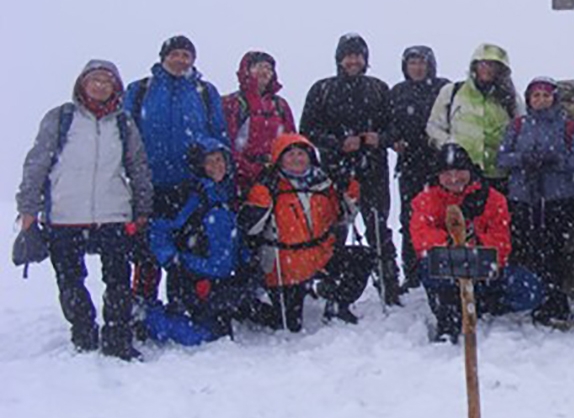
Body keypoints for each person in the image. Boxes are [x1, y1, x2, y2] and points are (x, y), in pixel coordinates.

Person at [17, 60, 153, 360]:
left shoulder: (123, 123)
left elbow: (138, 167)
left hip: (113, 214)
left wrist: (142, 209)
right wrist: (28, 208)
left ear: (116, 87)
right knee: (70, 279)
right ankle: (83, 330)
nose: (102, 85)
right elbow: (37, 163)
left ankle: (117, 336)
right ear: (82, 84)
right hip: (65, 215)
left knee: (118, 279)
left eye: (108, 81)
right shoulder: (61, 118)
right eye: (95, 80)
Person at [125, 35, 229, 303]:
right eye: (175, 54)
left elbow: (218, 135)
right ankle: (144, 304)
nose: (181, 60)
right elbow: (124, 135)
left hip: (191, 185)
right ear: (163, 57)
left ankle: (181, 302)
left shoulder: (204, 92)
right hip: (150, 184)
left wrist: (205, 154)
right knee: (147, 250)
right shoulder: (140, 91)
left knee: (187, 245)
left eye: (186, 55)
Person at [300, 33, 401, 305]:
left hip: (373, 171)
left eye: (358, 55)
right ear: (339, 59)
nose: (353, 60)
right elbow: (307, 132)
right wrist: (338, 143)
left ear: (365, 59)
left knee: (378, 228)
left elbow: (395, 128)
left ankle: (389, 285)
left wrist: (380, 138)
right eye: (348, 55)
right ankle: (330, 285)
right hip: (334, 173)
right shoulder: (322, 89)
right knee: (333, 232)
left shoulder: (379, 88)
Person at [240, 134, 372, 332]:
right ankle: (245, 307)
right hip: (284, 266)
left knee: (362, 257)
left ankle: (336, 300)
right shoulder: (269, 187)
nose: (296, 159)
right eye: (290, 154)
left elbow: (343, 216)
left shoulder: (323, 184)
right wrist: (261, 199)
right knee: (287, 324)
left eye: (301, 154)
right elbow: (250, 229)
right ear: (279, 159)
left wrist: (349, 187)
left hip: (319, 256)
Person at [410, 144, 542, 343]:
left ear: (469, 170)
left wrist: (474, 244)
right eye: (447, 173)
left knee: (530, 291)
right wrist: (453, 243)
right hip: (446, 264)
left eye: (459, 171)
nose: (454, 178)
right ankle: (449, 318)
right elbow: (421, 237)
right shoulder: (426, 199)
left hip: (483, 263)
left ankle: (480, 305)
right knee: (431, 265)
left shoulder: (493, 199)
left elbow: (502, 243)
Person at [497, 77, 574, 324]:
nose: (541, 100)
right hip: (524, 198)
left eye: (546, 95)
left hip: (557, 198)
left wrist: (555, 160)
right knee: (526, 249)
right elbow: (502, 158)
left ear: (554, 98)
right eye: (536, 95)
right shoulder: (517, 126)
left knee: (554, 250)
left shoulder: (568, 127)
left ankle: (555, 299)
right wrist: (524, 159)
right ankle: (531, 297)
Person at [146, 139, 254, 344]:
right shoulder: (191, 196)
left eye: (220, 160)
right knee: (208, 336)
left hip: (222, 280)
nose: (217, 166)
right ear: (199, 166)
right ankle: (149, 317)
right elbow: (159, 230)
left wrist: (246, 260)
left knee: (232, 326)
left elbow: (234, 236)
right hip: (193, 278)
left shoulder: (226, 193)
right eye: (210, 162)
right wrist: (173, 260)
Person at [387, 45, 450, 293]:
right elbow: (388, 124)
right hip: (410, 163)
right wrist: (394, 140)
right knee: (410, 218)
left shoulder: (444, 88)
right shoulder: (398, 92)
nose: (417, 67)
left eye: (422, 62)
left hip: (440, 163)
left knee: (443, 217)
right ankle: (412, 273)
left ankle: (442, 268)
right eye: (412, 62)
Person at [427, 43, 523, 193]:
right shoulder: (452, 92)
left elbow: (521, 131)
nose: (488, 69)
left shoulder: (511, 99)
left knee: (496, 215)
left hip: (499, 174)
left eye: (493, 65)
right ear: (475, 66)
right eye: (483, 64)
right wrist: (452, 146)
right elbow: (434, 126)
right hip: (460, 175)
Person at [222, 51, 296, 197]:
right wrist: (248, 169)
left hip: (277, 179)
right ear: (246, 71)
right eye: (259, 66)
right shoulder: (232, 103)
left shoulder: (280, 105)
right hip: (239, 180)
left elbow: (291, 141)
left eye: (269, 68)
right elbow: (226, 142)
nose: (265, 71)